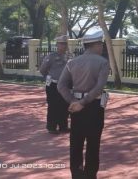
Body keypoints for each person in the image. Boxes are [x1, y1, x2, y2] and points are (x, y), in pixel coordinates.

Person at [57, 31, 110, 179]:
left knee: (76, 143)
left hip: (76, 108)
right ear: (96, 45)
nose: (101, 47)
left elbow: (61, 86)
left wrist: (74, 102)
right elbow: (99, 88)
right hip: (94, 106)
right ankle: (90, 175)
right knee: (93, 144)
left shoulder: (71, 62)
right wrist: (83, 102)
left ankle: (76, 174)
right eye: (100, 44)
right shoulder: (102, 62)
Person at [40, 35, 71, 134]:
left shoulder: (69, 56)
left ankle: (63, 126)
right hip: (53, 85)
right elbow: (43, 70)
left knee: (64, 105)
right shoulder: (51, 56)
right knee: (53, 105)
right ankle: (51, 127)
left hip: (65, 85)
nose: (63, 46)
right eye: (61, 44)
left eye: (65, 44)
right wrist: (49, 78)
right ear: (57, 45)